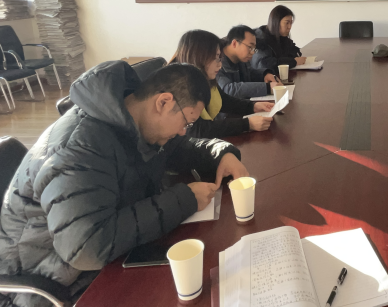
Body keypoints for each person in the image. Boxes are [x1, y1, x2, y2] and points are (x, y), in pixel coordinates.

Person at [0, 62, 249, 306]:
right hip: (56, 279)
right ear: (163, 102)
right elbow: (87, 247)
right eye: (186, 122)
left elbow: (182, 148)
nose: (185, 131)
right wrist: (183, 200)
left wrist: (221, 153)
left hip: (115, 254)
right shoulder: (79, 148)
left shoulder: (136, 121)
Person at [171, 30, 275, 138]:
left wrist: (252, 106)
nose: (220, 65)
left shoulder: (205, 79)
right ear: (199, 57)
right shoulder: (180, 88)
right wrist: (247, 124)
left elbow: (224, 101)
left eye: (220, 58)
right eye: (216, 58)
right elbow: (198, 130)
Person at [218, 25, 281, 99]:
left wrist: (265, 74)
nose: (253, 52)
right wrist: (267, 88)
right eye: (250, 47)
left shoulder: (240, 58)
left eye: (254, 49)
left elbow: (249, 73)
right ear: (234, 43)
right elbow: (228, 89)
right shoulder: (215, 61)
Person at [251, 5, 307, 73]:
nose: (289, 27)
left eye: (291, 23)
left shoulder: (281, 36)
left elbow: (296, 51)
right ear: (276, 22)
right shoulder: (260, 39)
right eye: (287, 23)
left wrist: (286, 60)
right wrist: (293, 61)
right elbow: (264, 64)